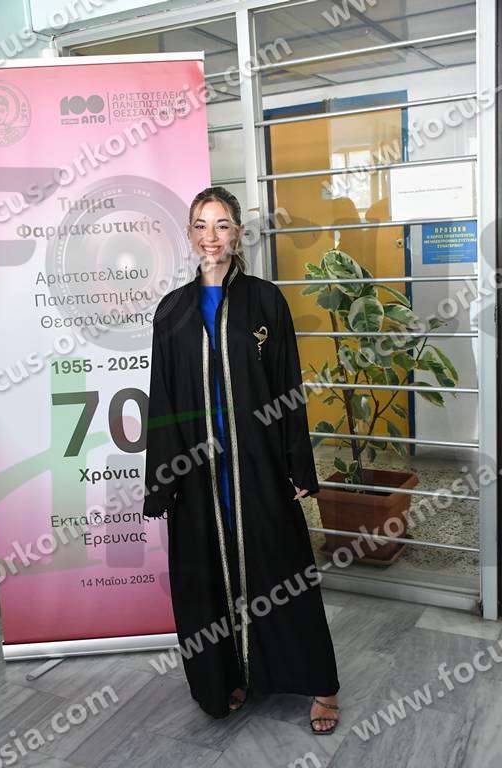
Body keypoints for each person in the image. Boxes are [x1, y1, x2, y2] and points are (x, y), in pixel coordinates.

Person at [142, 186, 340, 732]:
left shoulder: (264, 301)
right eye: (201, 225)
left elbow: (288, 386)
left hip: (257, 463)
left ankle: (320, 684)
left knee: (283, 569)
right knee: (206, 576)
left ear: (238, 233)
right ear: (189, 234)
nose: (212, 236)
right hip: (198, 472)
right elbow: (163, 399)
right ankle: (226, 675)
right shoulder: (172, 311)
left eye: (222, 225)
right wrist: (163, 480)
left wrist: (298, 463)